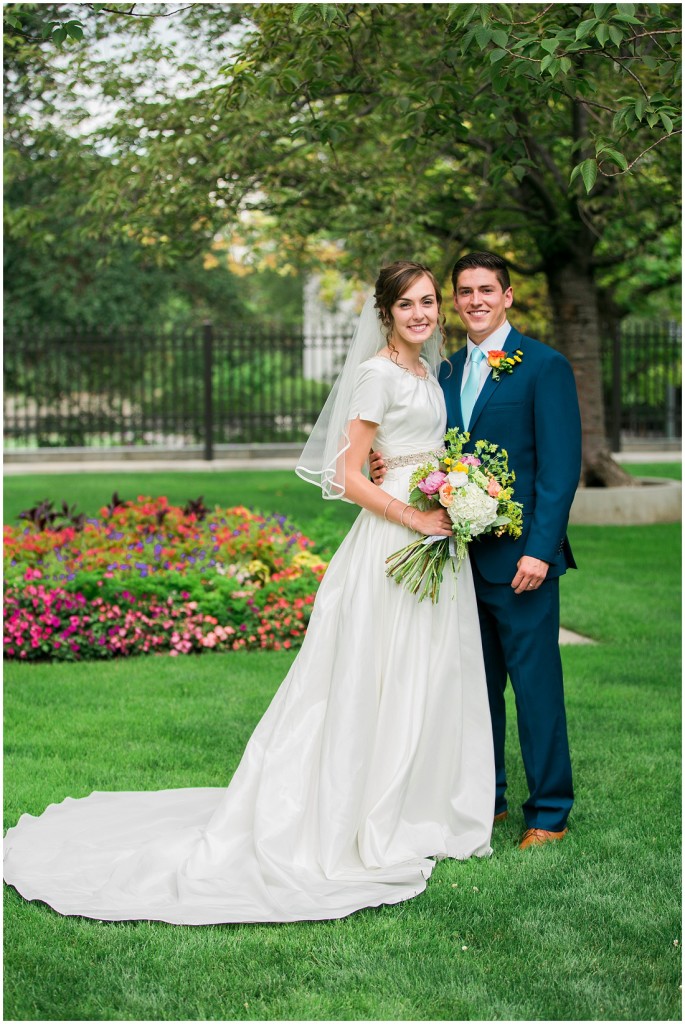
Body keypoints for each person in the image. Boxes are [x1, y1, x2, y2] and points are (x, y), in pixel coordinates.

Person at [3, 261, 495, 925]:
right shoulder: (378, 372)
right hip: (393, 540)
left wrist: (452, 490)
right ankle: (358, 810)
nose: (421, 314)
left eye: (428, 303)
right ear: (385, 313)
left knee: (425, 671)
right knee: (375, 671)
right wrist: (415, 514)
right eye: (406, 304)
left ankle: (415, 802)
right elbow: (345, 474)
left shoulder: (426, 372)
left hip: (434, 537)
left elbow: (409, 452)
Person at [371, 251, 582, 850]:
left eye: (487, 290)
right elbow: (422, 446)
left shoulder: (545, 367)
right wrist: (383, 461)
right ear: (454, 302)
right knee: (472, 688)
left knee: (535, 686)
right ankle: (482, 798)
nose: (475, 301)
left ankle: (548, 811)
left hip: (521, 561)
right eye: (463, 292)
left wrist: (540, 551)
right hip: (456, 556)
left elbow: (559, 470)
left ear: (508, 296)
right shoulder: (443, 371)